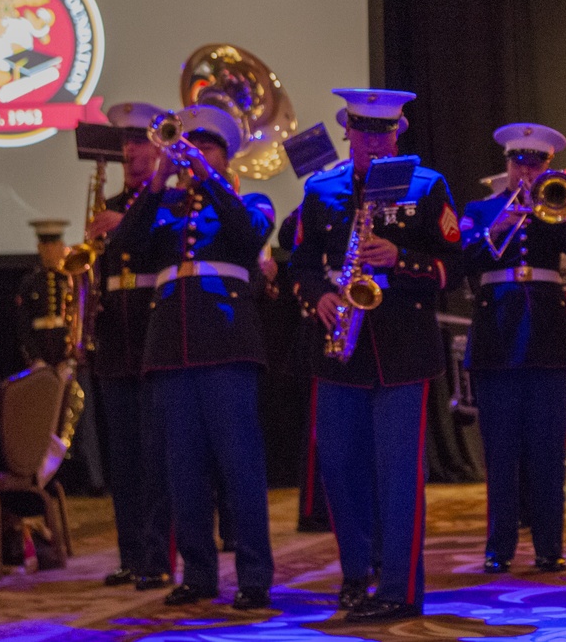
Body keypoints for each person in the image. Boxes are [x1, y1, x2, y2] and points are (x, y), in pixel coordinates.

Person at [290, 88, 461, 622]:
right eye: (363, 132)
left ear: (397, 133)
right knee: (340, 472)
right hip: (340, 351)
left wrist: (401, 257)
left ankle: (399, 588)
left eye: (381, 133)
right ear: (348, 133)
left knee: (398, 476)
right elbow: (298, 262)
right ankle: (355, 575)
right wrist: (318, 293)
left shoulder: (428, 185)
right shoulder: (323, 188)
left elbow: (455, 265)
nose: (372, 142)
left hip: (403, 351)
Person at [114, 103, 275, 610]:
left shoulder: (252, 201)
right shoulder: (162, 206)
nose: (195, 153)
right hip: (169, 350)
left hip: (226, 346)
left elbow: (250, 239)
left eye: (208, 146)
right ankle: (199, 573)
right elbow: (125, 245)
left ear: (226, 157)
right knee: (182, 472)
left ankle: (253, 576)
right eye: (191, 145)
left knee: (240, 467)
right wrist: (158, 179)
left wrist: (210, 179)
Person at [461, 123, 566, 574]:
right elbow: (466, 259)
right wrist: (503, 220)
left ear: (547, 167)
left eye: (535, 162)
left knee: (545, 452)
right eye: (520, 161)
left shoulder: (554, 211)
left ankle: (548, 548)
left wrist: (562, 213)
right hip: (497, 340)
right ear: (507, 163)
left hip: (547, 343)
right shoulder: (480, 211)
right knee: (500, 453)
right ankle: (498, 548)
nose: (526, 169)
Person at [84, 102, 174, 590]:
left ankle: (158, 555)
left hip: (153, 328)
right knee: (124, 457)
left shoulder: (168, 202)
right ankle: (131, 554)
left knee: (156, 453)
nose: (131, 150)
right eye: (126, 142)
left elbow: (160, 249)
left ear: (157, 146)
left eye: (139, 141)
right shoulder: (110, 203)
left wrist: (125, 226)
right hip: (115, 340)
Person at [15, 220, 73, 367]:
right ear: (39, 248)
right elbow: (24, 324)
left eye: (53, 245)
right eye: (45, 246)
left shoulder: (71, 279)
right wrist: (35, 357)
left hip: (68, 351)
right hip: (41, 350)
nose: (50, 250)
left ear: (61, 246)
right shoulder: (30, 282)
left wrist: (71, 354)